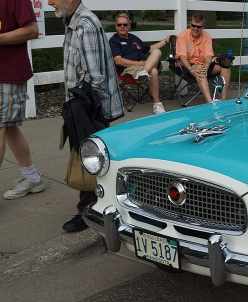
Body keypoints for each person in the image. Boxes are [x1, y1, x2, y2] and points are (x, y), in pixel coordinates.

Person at [48, 0, 124, 232]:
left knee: (91, 160)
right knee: (92, 159)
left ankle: (90, 212)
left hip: (90, 107)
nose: (50, 2)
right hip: (83, 105)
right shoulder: (73, 21)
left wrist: (82, 110)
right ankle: (97, 208)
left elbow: (96, 78)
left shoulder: (85, 24)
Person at [0, 0, 46, 200]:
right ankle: (32, 178)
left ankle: (32, 178)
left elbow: (31, 31)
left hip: (9, 73)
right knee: (9, 127)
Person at [109, 12, 167, 114]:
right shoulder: (114, 40)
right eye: (119, 25)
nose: (122, 27)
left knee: (157, 53)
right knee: (153, 70)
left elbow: (149, 49)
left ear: (129, 26)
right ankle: (157, 104)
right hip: (127, 70)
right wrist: (140, 64)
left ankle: (144, 74)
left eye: (125, 24)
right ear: (116, 26)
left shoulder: (134, 38)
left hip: (142, 68)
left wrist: (165, 41)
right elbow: (118, 60)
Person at [176, 14, 231, 102]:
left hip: (204, 64)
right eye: (193, 26)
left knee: (225, 68)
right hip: (188, 66)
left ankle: (223, 100)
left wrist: (206, 66)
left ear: (202, 27)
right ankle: (210, 102)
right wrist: (191, 69)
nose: (195, 28)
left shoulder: (207, 36)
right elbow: (182, 57)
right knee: (200, 70)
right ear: (190, 25)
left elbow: (208, 55)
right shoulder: (183, 36)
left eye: (199, 26)